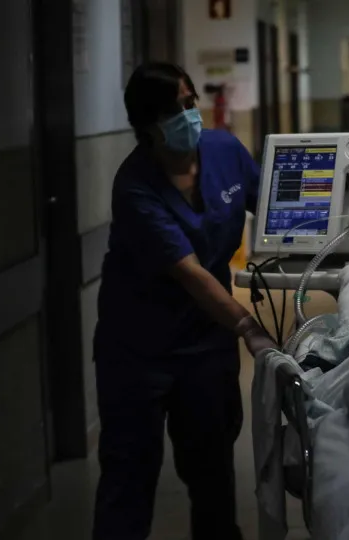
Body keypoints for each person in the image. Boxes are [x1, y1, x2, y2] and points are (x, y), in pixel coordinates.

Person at [92, 62, 275, 540]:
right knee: (128, 477)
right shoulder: (135, 187)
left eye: (190, 102)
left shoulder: (224, 150)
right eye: (173, 110)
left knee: (212, 471)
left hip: (204, 343)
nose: (188, 116)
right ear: (147, 125)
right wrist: (250, 329)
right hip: (137, 349)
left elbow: (278, 210)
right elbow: (191, 273)